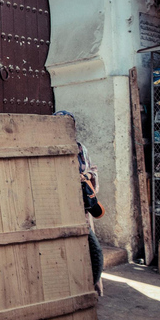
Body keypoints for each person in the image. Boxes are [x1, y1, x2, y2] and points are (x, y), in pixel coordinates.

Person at [53, 110, 104, 296]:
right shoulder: (51, 147)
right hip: (60, 206)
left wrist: (87, 176)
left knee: (90, 249)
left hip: (81, 206)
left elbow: (92, 168)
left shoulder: (81, 147)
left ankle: (90, 287)